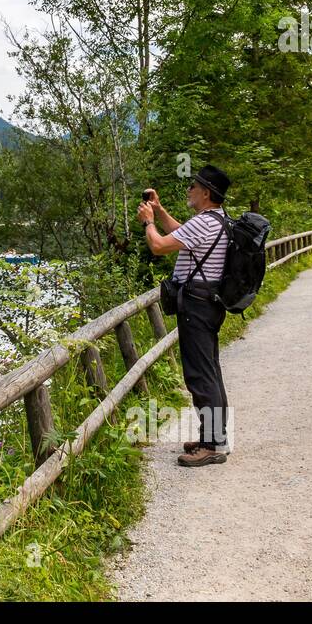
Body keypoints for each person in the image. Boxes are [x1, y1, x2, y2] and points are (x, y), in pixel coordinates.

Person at [137, 165, 233, 467]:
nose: (189, 189)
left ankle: (212, 445)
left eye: (194, 186)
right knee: (210, 370)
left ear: (206, 193)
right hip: (209, 304)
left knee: (200, 375)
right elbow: (181, 233)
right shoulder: (218, 221)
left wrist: (148, 222)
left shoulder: (205, 222)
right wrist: (160, 209)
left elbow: (159, 245)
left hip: (196, 306)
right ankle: (215, 438)